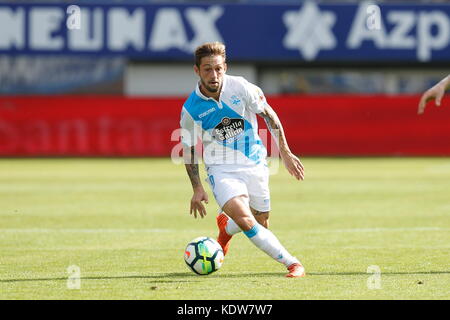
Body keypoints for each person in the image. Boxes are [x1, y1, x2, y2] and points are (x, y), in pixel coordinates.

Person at [180, 42, 305, 278]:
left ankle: (225, 228)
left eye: (218, 68)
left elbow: (269, 115)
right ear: (197, 71)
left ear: (225, 67)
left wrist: (285, 153)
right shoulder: (190, 110)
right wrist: (197, 188)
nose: (214, 75)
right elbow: (188, 150)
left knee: (261, 221)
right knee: (247, 221)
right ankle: (293, 263)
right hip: (221, 169)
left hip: (256, 162)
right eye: (207, 69)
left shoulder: (241, 88)